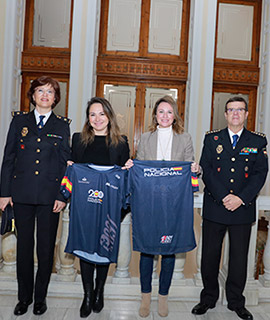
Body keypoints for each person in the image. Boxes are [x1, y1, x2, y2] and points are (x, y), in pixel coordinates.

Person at [191, 96, 268, 320]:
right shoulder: (212, 139)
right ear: (225, 115)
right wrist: (225, 196)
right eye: (231, 110)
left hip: (242, 209)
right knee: (209, 256)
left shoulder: (258, 141)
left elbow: (260, 174)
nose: (235, 113)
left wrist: (240, 198)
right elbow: (206, 168)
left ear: (246, 114)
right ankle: (208, 299)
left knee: (239, 258)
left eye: (240, 110)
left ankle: (236, 301)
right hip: (216, 206)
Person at [0, 76, 71, 316]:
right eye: (40, 91)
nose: (44, 95)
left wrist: (63, 195)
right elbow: (8, 157)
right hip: (22, 194)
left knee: (45, 249)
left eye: (50, 92)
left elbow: (65, 164)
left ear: (55, 98)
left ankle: (40, 298)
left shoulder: (62, 125)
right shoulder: (20, 121)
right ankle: (24, 298)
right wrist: (4, 192)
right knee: (24, 248)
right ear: (32, 95)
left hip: (50, 197)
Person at [125, 95, 200, 318]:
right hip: (149, 202)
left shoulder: (185, 138)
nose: (165, 116)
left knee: (169, 251)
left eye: (169, 112)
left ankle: (164, 297)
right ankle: (146, 296)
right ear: (155, 115)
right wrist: (131, 166)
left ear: (175, 115)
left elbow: (191, 168)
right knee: (147, 251)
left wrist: (196, 169)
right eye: (161, 112)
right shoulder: (146, 138)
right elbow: (139, 168)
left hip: (174, 203)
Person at [67, 97, 130, 318]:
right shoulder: (78, 140)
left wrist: (128, 167)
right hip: (85, 206)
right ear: (88, 118)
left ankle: (99, 291)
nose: (97, 119)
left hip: (109, 208)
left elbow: (126, 178)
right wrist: (68, 166)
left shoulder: (121, 143)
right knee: (85, 249)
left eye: (102, 114)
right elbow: (71, 172)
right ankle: (87, 294)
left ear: (109, 116)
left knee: (105, 247)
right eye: (93, 114)